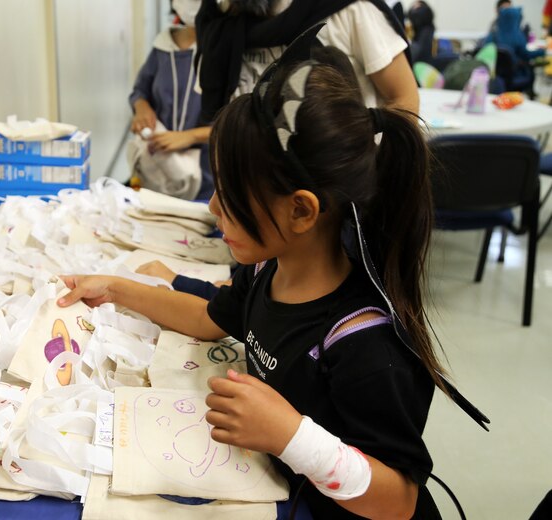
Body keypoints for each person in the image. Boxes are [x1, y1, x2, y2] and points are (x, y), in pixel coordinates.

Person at [59, 38, 452, 517]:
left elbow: (399, 500)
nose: (212, 207)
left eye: (231, 196)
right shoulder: (269, 269)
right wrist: (117, 290)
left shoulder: (365, 343)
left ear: (301, 210)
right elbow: (210, 316)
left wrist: (292, 437)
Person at [195, 0, 420, 126]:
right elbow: (220, 115)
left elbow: (404, 99)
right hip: (257, 184)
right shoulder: (219, 22)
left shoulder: (350, 9)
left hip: (346, 183)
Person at [129, 0, 214, 200]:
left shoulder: (222, 49)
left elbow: (238, 119)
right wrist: (142, 108)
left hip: (207, 176)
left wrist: (191, 136)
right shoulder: (162, 47)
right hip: (158, 167)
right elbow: (139, 91)